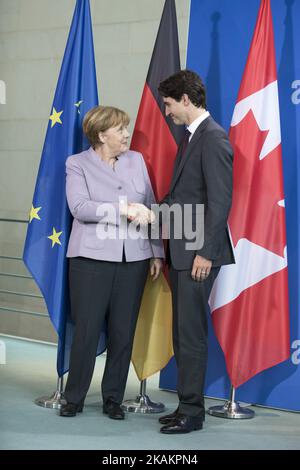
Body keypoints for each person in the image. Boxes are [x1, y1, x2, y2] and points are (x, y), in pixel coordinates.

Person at [60, 105, 164, 419]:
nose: (126, 135)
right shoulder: (77, 164)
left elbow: (151, 207)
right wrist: (123, 208)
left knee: (123, 332)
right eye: (120, 130)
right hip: (90, 260)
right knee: (87, 331)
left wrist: (156, 251)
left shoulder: (136, 161)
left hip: (133, 260)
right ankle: (74, 397)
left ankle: (112, 400)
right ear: (102, 134)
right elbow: (80, 208)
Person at [157, 70, 235, 434]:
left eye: (169, 104)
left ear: (186, 99)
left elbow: (220, 203)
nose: (167, 111)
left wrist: (205, 252)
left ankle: (192, 412)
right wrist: (151, 213)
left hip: (199, 255)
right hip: (183, 251)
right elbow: (182, 198)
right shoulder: (192, 137)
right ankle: (186, 405)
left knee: (191, 334)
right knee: (182, 332)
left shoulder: (213, 138)